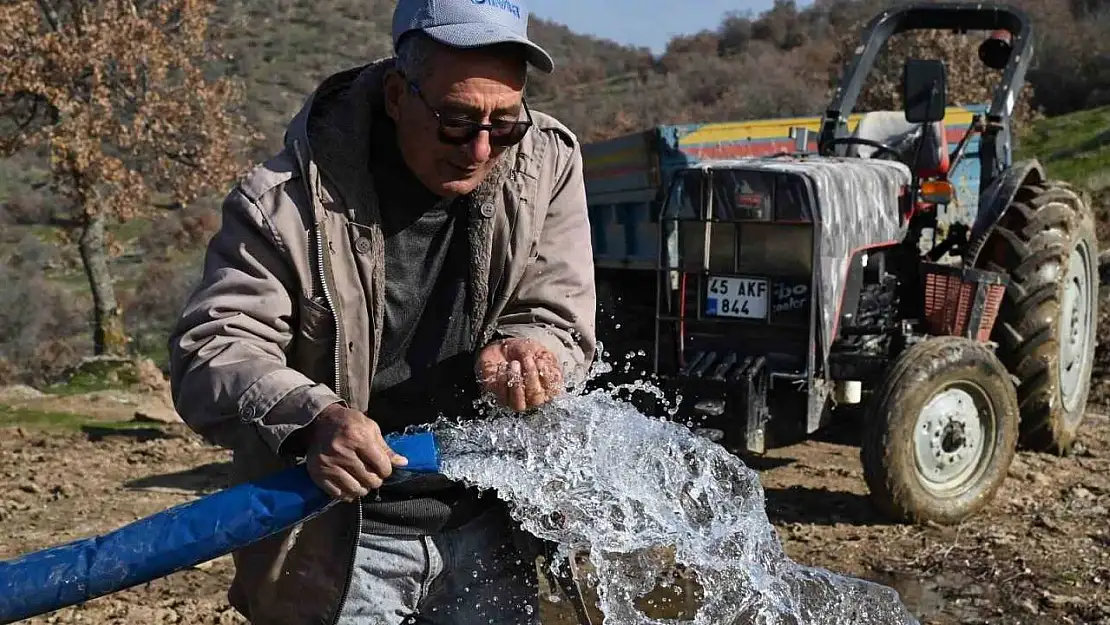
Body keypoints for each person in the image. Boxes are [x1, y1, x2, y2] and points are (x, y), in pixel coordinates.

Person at [166, 0, 597, 622]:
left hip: (491, 524)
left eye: (504, 123)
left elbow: (557, 308)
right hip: (339, 536)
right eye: (455, 120)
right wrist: (315, 419)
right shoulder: (282, 204)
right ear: (398, 95)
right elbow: (216, 347)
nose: (480, 148)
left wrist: (534, 346)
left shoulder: (546, 162)